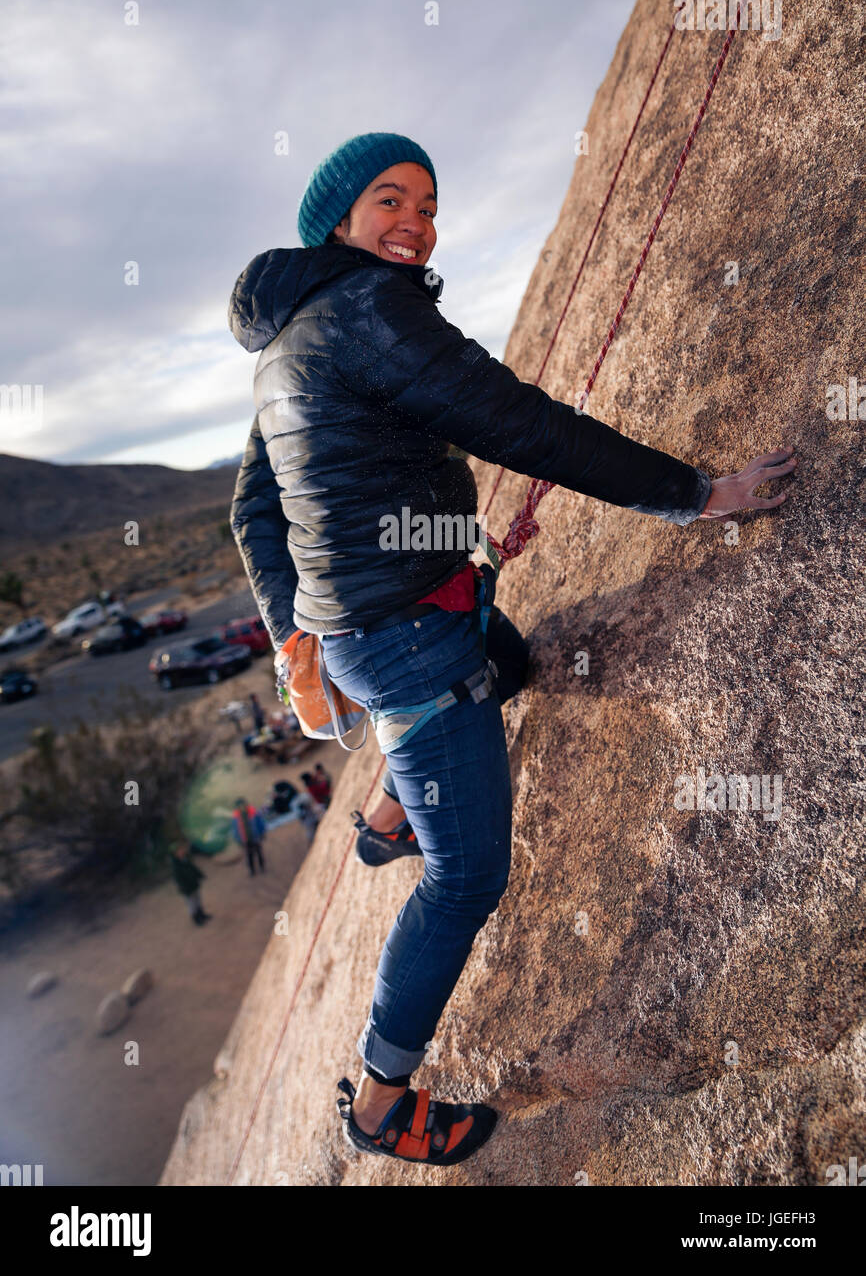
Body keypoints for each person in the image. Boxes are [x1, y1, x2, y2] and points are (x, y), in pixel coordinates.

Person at [227, 132, 796, 1168]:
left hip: (385, 627)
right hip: (404, 639)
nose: (414, 223)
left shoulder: (284, 346)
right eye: (389, 200)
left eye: (427, 206)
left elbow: (251, 514)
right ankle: (380, 1104)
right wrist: (695, 494)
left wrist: (294, 630)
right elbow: (518, 424)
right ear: (337, 223)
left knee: (514, 667)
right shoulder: (369, 310)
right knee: (465, 880)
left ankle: (390, 807)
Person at [169, 839, 211, 926]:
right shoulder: (175, 867)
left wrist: (200, 875)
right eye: (179, 851)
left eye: (181, 849)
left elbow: (193, 868)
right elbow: (179, 880)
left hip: (193, 884)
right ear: (174, 854)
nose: (181, 851)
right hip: (187, 889)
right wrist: (185, 888)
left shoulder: (186, 859)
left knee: (198, 900)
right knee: (192, 904)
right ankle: (196, 919)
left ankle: (202, 914)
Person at [231, 798, 267, 875]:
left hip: (255, 836)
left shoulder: (252, 812)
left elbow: (260, 822)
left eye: (242, 805)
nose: (242, 807)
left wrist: (262, 833)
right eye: (239, 806)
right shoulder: (236, 817)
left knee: (259, 852)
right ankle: (252, 870)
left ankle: (262, 867)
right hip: (245, 839)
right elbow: (235, 830)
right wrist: (238, 840)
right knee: (249, 855)